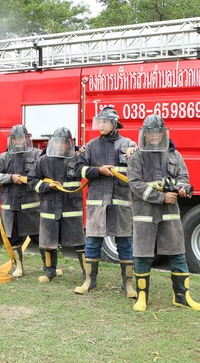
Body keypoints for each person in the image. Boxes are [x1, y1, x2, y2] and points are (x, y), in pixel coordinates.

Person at [127, 114, 200, 312]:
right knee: (143, 255)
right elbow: (135, 185)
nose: (154, 136)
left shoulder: (174, 156)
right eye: (150, 132)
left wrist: (182, 189)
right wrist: (161, 197)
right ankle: (142, 297)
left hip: (170, 214)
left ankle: (182, 297)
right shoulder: (136, 157)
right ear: (144, 134)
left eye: (157, 132)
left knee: (177, 253)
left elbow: (183, 177)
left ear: (163, 133)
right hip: (144, 214)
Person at [74, 107, 137, 298]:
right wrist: (97, 171)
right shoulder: (92, 146)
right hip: (97, 203)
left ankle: (128, 284)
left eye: (105, 122)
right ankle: (89, 281)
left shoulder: (129, 144)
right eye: (99, 121)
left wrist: (136, 155)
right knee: (92, 243)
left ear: (115, 123)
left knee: (125, 243)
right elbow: (77, 170)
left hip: (121, 203)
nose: (100, 125)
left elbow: (139, 172)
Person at [27, 127, 86, 283]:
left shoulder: (77, 159)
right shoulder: (43, 160)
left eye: (64, 143)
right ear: (52, 142)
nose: (60, 145)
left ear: (69, 144)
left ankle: (88, 273)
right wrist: (47, 187)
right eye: (57, 142)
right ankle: (49, 272)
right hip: (49, 209)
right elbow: (31, 181)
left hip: (72, 209)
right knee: (47, 242)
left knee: (80, 242)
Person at [0, 125, 41, 278]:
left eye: (21, 138)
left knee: (40, 236)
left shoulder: (37, 154)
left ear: (27, 138)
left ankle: (49, 267)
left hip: (32, 207)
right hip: (10, 207)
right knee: (14, 237)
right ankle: (19, 266)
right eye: (15, 139)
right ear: (11, 140)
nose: (18, 141)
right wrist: (10, 178)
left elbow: (50, 163)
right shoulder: (4, 157)